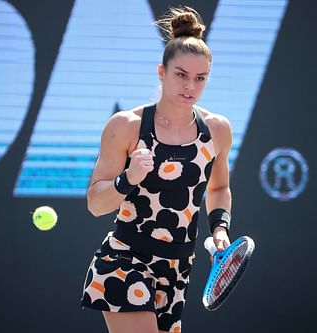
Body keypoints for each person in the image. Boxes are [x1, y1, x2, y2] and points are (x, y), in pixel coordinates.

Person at [81, 6, 233, 333]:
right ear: (162, 72)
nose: (190, 86)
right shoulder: (127, 126)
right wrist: (128, 179)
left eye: (200, 78)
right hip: (124, 262)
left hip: (178, 270)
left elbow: (218, 189)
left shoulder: (218, 130)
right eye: (181, 74)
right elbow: (95, 203)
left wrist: (219, 228)